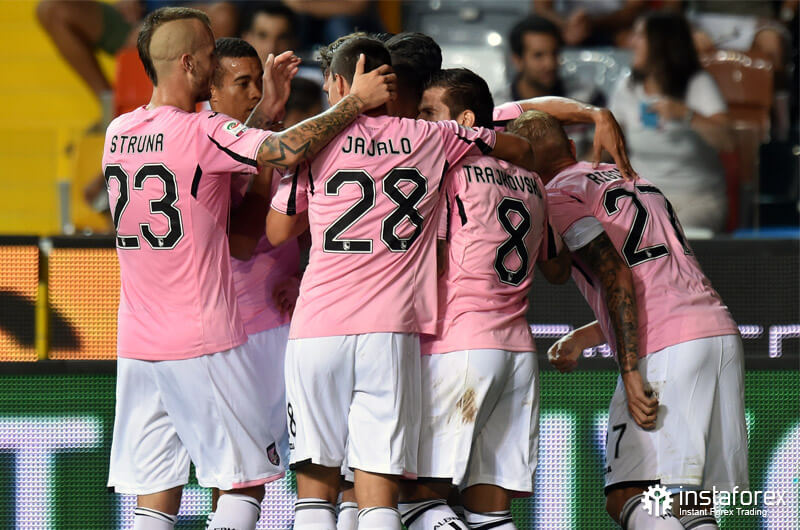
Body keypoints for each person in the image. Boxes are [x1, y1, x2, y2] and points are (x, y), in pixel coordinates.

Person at [102, 7, 395, 529]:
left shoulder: (119, 132)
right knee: (243, 482)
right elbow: (280, 151)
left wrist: (263, 112)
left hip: (137, 344)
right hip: (200, 338)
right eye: (209, 52)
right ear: (189, 63)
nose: (214, 60)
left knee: (156, 491)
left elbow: (225, 153)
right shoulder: (203, 129)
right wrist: (354, 102)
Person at [265, 36, 536, 530]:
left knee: (316, 493)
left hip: (319, 327)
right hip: (392, 333)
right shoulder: (432, 137)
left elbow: (278, 231)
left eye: (327, 83)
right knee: (380, 499)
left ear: (341, 82)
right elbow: (519, 148)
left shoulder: (313, 141)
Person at [509, 110, 747, 530]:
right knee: (690, 502)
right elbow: (657, 280)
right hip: (718, 334)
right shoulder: (637, 179)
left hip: (666, 348)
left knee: (628, 493)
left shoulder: (558, 195)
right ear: (571, 147)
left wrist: (630, 370)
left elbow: (617, 273)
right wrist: (586, 337)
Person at [400, 68, 554, 530]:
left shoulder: (450, 172)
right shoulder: (533, 182)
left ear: (465, 120)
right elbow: (558, 266)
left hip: (460, 345)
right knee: (490, 512)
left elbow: (435, 262)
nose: (421, 123)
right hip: (516, 353)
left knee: (416, 501)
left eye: (429, 112)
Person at [201, 35, 304, 527]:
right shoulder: (206, 153)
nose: (254, 93)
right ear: (211, 91)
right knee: (242, 477)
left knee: (325, 466)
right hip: (240, 331)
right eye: (242, 83)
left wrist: (304, 276)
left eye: (257, 83)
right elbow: (242, 241)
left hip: (292, 326)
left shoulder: (264, 141)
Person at [609, 12, 734, 232]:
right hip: (643, 200)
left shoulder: (698, 84)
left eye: (640, 36)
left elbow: (728, 141)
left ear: (662, 43)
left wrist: (687, 114)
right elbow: (608, 142)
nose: (631, 42)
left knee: (671, 239)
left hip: (697, 201)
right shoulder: (627, 87)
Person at [36, 0, 238, 129]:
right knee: (52, 9)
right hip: (141, 23)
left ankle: (195, 112)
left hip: (202, 20)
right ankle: (110, 107)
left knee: (223, 15)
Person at [500, 14, 604, 107]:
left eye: (554, 53)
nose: (550, 64)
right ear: (517, 60)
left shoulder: (587, 99)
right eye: (538, 55)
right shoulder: (497, 108)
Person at [535, 0, 646, 47]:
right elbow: (541, 9)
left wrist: (591, 23)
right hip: (569, 29)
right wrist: (566, 25)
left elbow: (634, 9)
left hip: (616, 27)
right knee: (540, 43)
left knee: (640, 43)